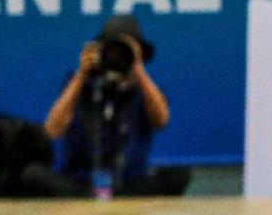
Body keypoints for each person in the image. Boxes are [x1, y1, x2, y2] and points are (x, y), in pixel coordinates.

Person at [42, 15, 187, 197]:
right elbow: (53, 129)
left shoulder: (146, 90)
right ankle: (94, 195)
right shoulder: (79, 84)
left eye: (124, 53)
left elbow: (161, 120)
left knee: (179, 175)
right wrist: (82, 75)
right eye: (111, 52)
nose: (117, 58)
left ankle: (115, 196)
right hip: (80, 184)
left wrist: (139, 71)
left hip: (128, 185)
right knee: (34, 175)